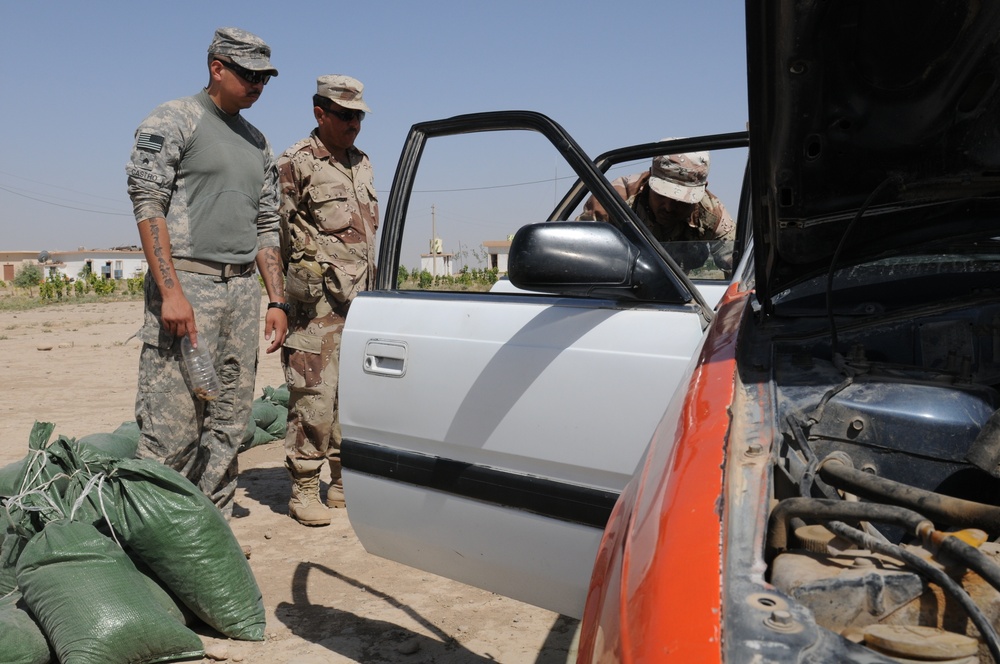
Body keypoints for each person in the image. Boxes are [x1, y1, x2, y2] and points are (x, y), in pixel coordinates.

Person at [125, 27, 288, 518]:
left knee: (229, 422)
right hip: (188, 285)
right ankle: (157, 537)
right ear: (217, 67)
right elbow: (148, 203)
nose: (258, 85)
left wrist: (276, 299)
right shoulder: (176, 119)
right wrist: (171, 293)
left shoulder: (257, 142)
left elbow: (266, 224)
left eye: (265, 78)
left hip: (241, 292)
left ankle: (210, 533)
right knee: (171, 426)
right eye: (249, 75)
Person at [277, 75, 378, 526]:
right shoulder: (295, 162)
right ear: (320, 113)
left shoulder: (362, 163)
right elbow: (275, 232)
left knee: (352, 397)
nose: (354, 124)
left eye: (359, 116)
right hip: (316, 306)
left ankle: (340, 481)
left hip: (362, 301)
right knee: (313, 397)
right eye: (345, 115)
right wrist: (290, 290)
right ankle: (303, 487)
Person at [580, 146, 736, 274]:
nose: (668, 208)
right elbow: (580, 256)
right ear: (650, 178)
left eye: (681, 200)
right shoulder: (612, 202)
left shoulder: (711, 214)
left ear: (702, 189)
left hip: (680, 292)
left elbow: (737, 268)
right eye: (662, 195)